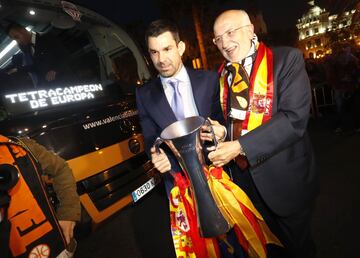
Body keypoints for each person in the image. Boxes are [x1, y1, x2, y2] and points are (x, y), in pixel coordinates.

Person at [208, 9, 318, 258]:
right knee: (267, 250)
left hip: (285, 179)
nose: (224, 43)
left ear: (250, 29)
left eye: (230, 32)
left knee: (298, 249)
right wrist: (222, 131)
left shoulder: (286, 59)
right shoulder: (223, 75)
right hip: (245, 182)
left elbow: (293, 120)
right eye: (217, 38)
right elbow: (238, 124)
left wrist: (237, 146)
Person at [135, 19, 224, 257]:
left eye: (167, 49)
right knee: (197, 247)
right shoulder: (144, 95)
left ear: (181, 47)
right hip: (178, 184)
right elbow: (151, 137)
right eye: (154, 52)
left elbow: (221, 122)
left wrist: (222, 132)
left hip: (219, 175)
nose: (161, 59)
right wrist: (157, 155)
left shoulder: (208, 80)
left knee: (232, 241)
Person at [6, 22, 73, 87]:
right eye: (14, 39)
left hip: (65, 82)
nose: (18, 41)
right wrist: (18, 69)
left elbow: (65, 55)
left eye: (17, 37)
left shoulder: (46, 37)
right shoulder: (28, 48)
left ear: (23, 30)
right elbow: (36, 67)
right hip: (48, 86)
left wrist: (55, 70)